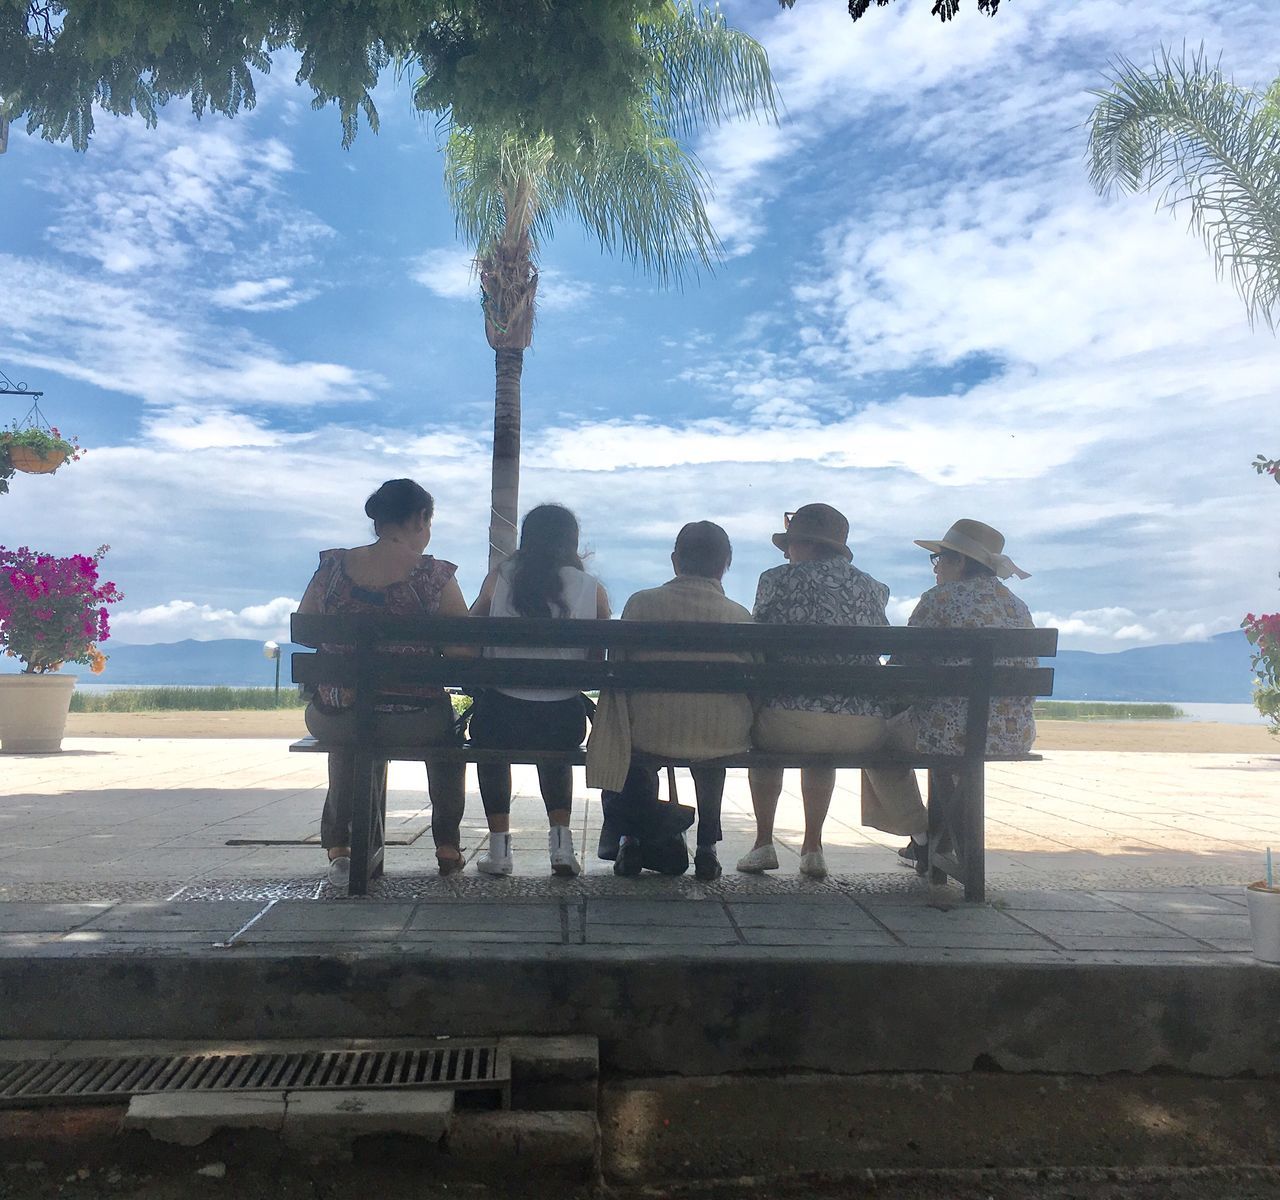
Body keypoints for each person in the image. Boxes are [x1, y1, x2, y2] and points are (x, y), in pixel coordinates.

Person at [299, 479, 470, 888]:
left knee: (354, 730)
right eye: (429, 522)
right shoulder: (433, 575)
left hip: (335, 718)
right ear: (418, 519)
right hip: (413, 721)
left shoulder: (333, 567)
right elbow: (465, 651)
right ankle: (447, 844)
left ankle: (341, 846)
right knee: (448, 739)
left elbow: (306, 631)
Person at [863, 519, 1035, 876]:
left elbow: (901, 670)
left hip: (950, 733)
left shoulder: (938, 600)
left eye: (940, 559)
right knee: (933, 738)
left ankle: (923, 839)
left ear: (959, 562)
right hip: (1012, 733)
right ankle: (938, 844)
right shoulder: (1017, 607)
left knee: (876, 743)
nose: (936, 567)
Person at [586, 521, 754, 879]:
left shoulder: (641, 604)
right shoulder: (739, 616)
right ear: (727, 562)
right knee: (712, 749)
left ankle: (631, 839)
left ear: (676, 560)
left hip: (649, 731)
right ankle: (707, 846)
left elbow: (619, 666)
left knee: (631, 736)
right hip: (722, 734)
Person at [736, 503, 891, 880]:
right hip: (861, 728)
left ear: (802, 544)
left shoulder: (776, 580)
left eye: (789, 545)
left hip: (790, 723)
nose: (786, 553)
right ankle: (813, 848)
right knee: (823, 746)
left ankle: (763, 843)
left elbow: (759, 643)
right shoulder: (873, 588)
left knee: (768, 734)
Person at [468, 503, 610, 877]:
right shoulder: (591, 590)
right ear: (572, 543)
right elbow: (598, 662)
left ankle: (499, 850)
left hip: (500, 716)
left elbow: (469, 634)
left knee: (489, 744)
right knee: (557, 741)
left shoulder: (499, 578)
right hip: (563, 720)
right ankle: (561, 845)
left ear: (525, 540)